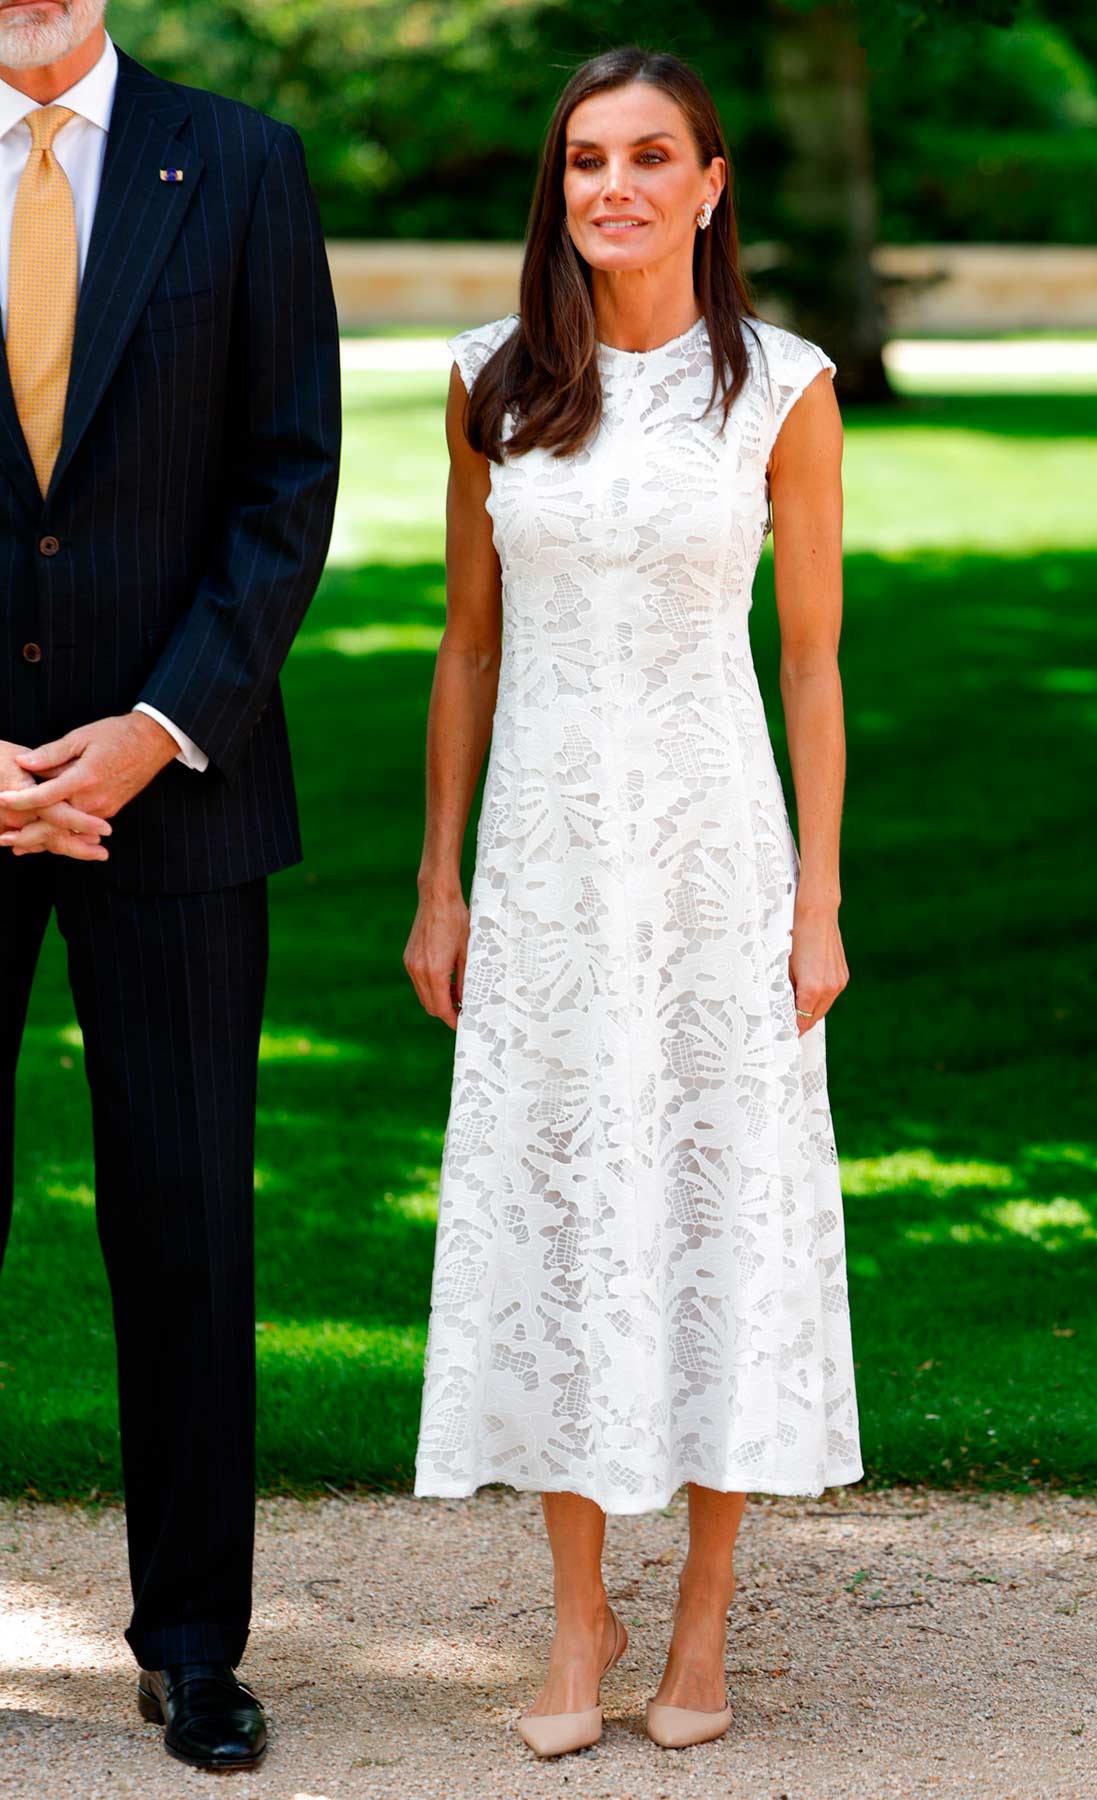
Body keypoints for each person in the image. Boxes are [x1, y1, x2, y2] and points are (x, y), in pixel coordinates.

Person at [404, 43, 862, 1758]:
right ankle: (573, 1623)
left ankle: (702, 1629)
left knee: (721, 1201)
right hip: (541, 859)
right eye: (587, 159)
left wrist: (817, 898)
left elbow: (811, 662)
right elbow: (467, 642)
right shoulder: (492, 382)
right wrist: (440, 878)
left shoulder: (784, 388)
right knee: (562, 1205)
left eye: (651, 156)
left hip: (716, 853)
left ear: (712, 181)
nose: (615, 187)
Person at [0, 0, 340, 1772]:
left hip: (178, 796)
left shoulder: (247, 164)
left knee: (191, 1228)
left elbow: (288, 488)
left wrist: (154, 726)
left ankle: (194, 1646)